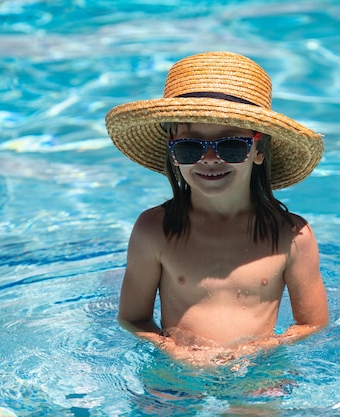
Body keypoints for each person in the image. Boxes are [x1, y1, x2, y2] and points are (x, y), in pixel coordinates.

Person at [105, 51, 328, 365]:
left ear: (258, 150)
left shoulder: (291, 235)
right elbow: (133, 319)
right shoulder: (155, 230)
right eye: (189, 146)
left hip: (256, 370)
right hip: (175, 369)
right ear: (172, 151)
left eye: (231, 146)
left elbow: (312, 323)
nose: (210, 158)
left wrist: (264, 348)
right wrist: (173, 350)